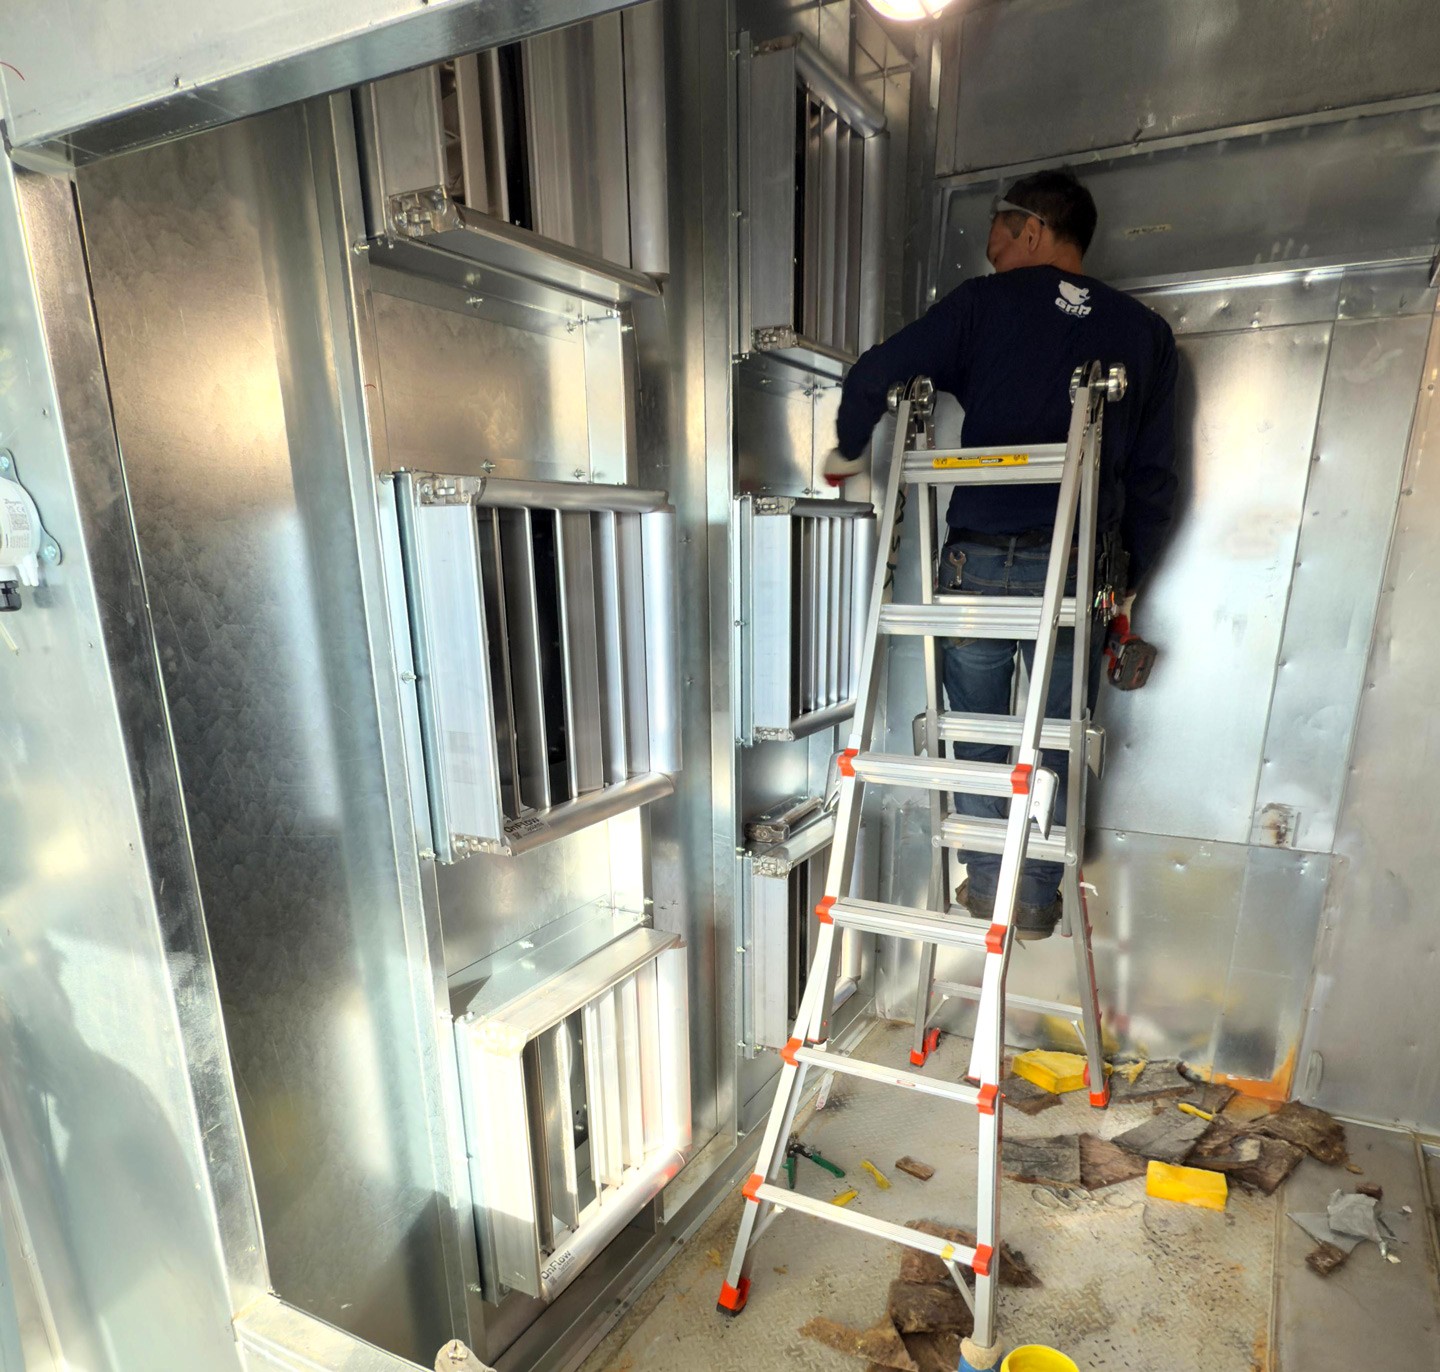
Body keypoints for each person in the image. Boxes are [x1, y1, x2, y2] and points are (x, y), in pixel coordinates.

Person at [828, 168, 1178, 940]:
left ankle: (989, 883)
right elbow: (1154, 480)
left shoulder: (982, 306)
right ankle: (1038, 895)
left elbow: (878, 370)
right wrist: (1129, 584)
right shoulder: (1144, 333)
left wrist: (849, 447)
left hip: (980, 564)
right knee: (1053, 733)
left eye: (997, 227)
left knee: (979, 735)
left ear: (1033, 230)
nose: (988, 245)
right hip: (1078, 571)